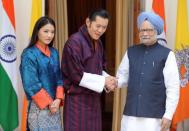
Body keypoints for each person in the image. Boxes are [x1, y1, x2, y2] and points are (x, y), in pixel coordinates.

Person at [116, 11, 180, 131]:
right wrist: (111, 82)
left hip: (155, 119)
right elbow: (122, 77)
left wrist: (168, 115)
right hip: (130, 118)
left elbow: (173, 87)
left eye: (149, 30)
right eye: (142, 30)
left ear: (156, 31)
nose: (145, 33)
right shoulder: (131, 52)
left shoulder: (167, 54)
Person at [61, 9, 117, 131]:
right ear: (88, 22)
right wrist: (104, 81)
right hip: (77, 102)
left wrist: (109, 79)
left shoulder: (98, 43)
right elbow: (76, 75)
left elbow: (100, 67)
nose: (100, 30)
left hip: (94, 101)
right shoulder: (74, 42)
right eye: (98, 26)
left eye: (104, 27)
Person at [19, 16, 64, 130]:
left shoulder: (54, 52)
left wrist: (58, 99)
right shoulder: (29, 54)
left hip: (55, 106)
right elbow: (31, 84)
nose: (49, 35)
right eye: (46, 31)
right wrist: (49, 103)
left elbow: (59, 78)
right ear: (37, 31)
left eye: (52, 32)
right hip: (38, 107)